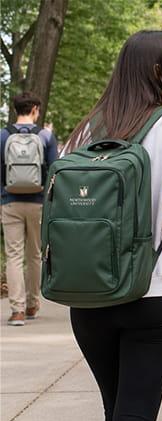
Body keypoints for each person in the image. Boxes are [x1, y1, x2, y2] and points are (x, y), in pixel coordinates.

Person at [61, 30, 162, 421]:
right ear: (157, 72)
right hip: (154, 293)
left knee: (117, 413)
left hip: (89, 294)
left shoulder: (87, 129)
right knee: (134, 419)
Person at [1, 92, 58, 326]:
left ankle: (17, 311)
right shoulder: (45, 135)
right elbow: (55, 169)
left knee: (14, 255)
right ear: (35, 109)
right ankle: (33, 303)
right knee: (35, 254)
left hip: (9, 202)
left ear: (16, 109)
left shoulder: (3, 135)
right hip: (37, 203)